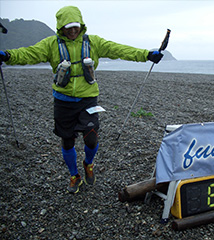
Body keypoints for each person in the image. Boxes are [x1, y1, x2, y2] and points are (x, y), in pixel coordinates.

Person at [0, 6, 163, 193]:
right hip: (63, 100)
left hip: (88, 99)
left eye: (75, 26)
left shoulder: (94, 42)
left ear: (81, 25)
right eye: (68, 27)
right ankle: (74, 175)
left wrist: (146, 55)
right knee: (67, 141)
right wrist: (8, 56)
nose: (72, 30)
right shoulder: (50, 44)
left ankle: (88, 164)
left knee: (91, 139)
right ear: (61, 26)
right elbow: (29, 53)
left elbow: (118, 49)